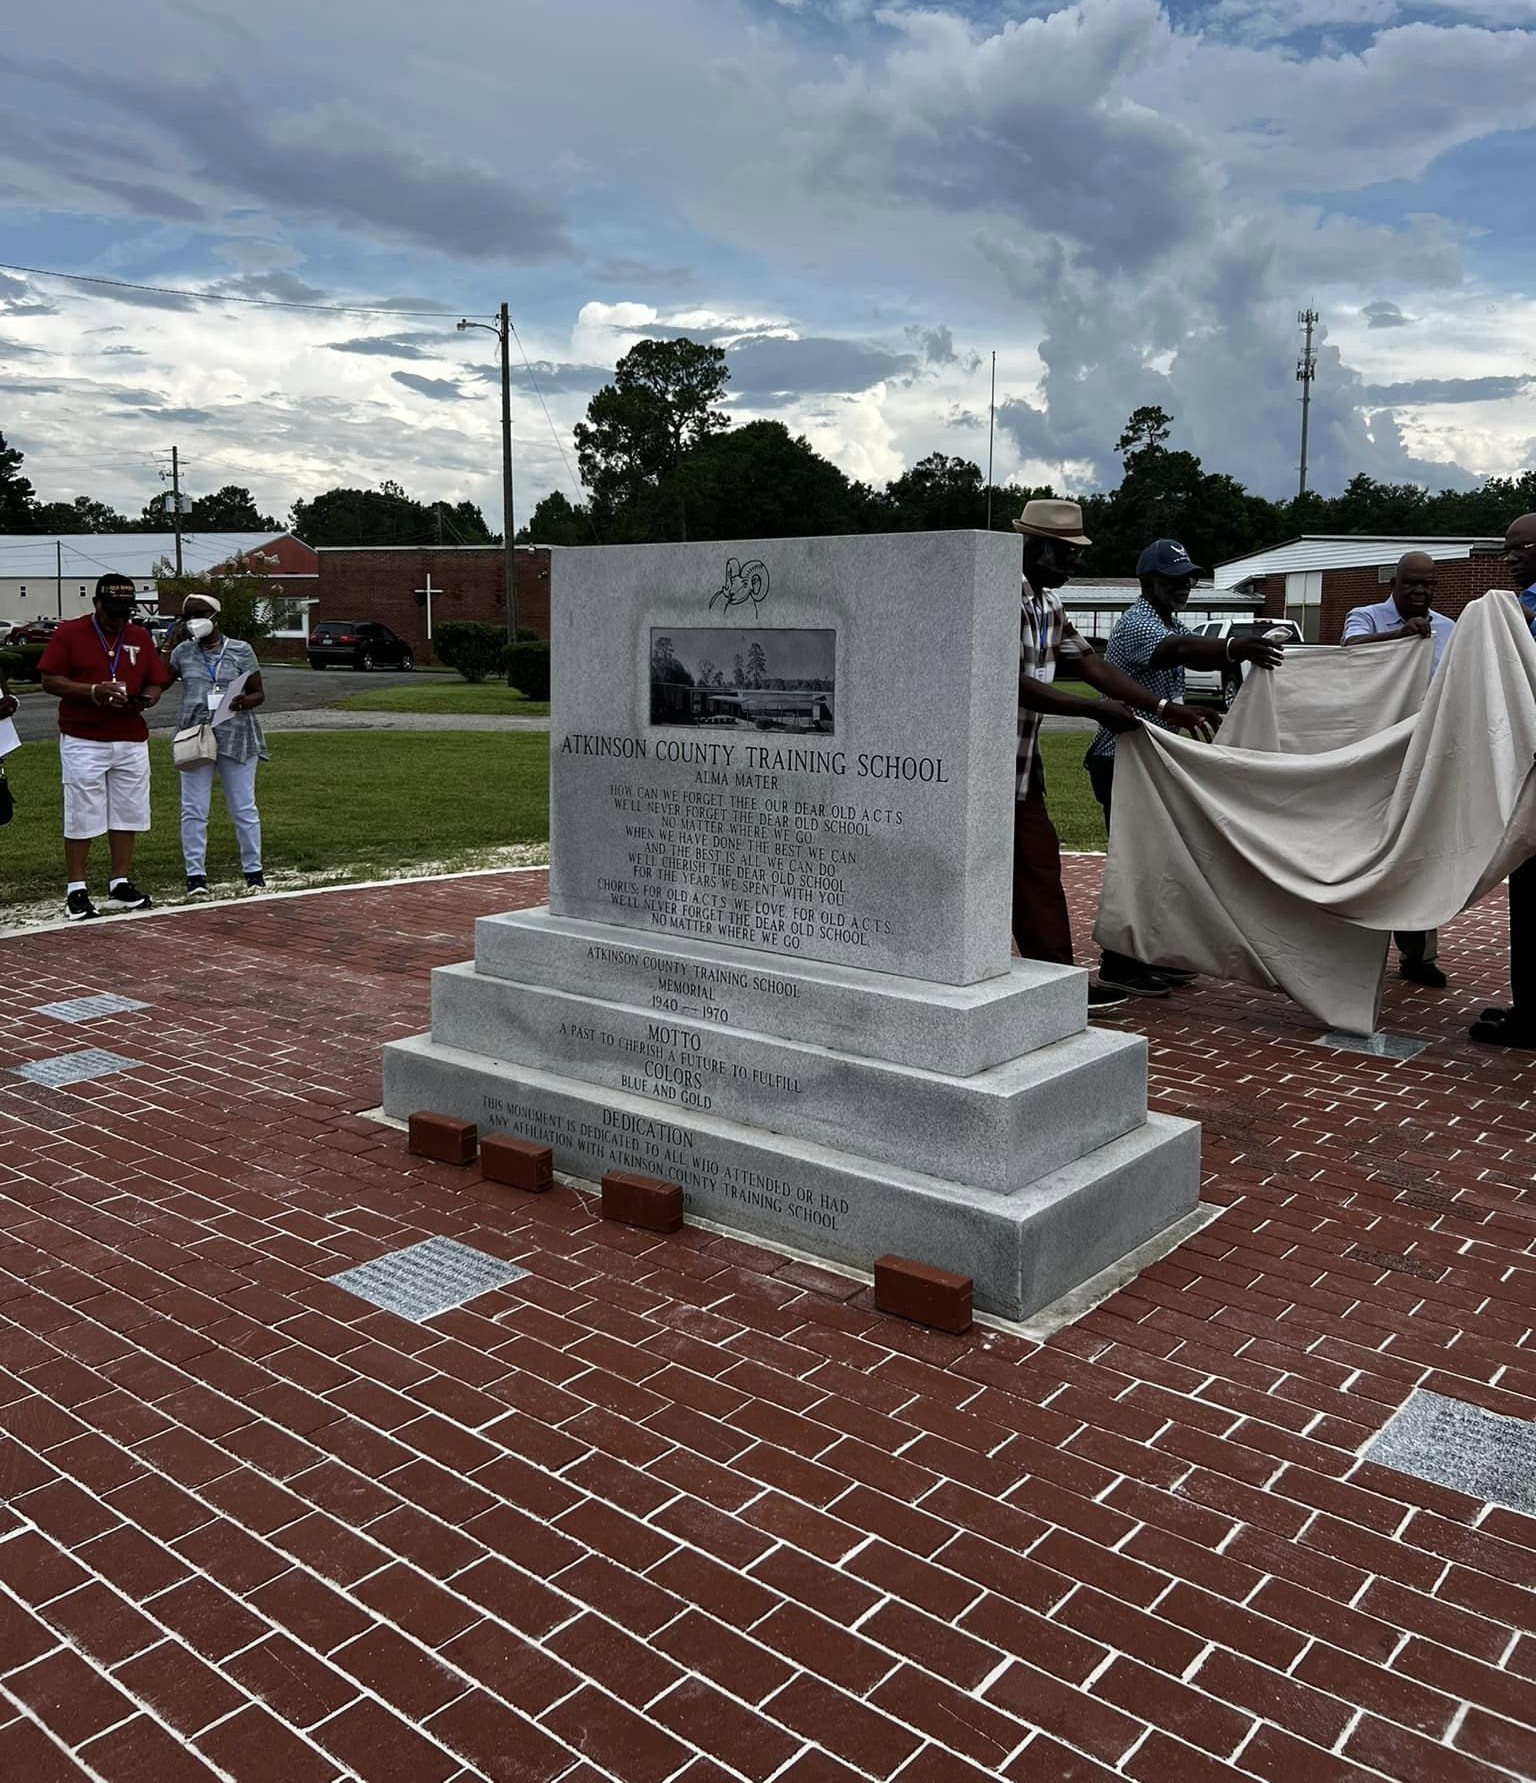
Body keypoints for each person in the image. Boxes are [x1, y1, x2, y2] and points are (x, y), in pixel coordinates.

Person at [1012, 501, 1217, 1009]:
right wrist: (1095, 712)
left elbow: (1090, 665)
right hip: (975, 765)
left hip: (1020, 762)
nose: (1074, 564)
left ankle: (1055, 983)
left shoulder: (1049, 606)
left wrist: (1165, 706)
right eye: (1065, 553)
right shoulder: (1000, 597)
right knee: (998, 871)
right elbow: (1006, 683)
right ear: (1034, 546)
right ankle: (1083, 971)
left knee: (1039, 870)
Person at [1083, 539, 1284, 996]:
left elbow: (1167, 667)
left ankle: (1145, 955)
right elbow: (1179, 651)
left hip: (1147, 763)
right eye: (1174, 579)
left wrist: (1187, 707)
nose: (1185, 586)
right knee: (1134, 864)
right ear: (1148, 581)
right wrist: (1236, 648)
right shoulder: (1138, 623)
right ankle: (1118, 963)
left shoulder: (1164, 619)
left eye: (1189, 578)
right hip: (1119, 760)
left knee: (1155, 863)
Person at [1341, 550, 1457, 987]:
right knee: (1365, 850)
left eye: (1429, 585)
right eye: (1412, 583)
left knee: (1419, 854)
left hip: (1425, 756)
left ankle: (1419, 956)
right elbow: (1348, 653)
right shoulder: (1366, 618)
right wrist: (1398, 639)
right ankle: (1354, 949)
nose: (1421, 592)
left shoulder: (1450, 629)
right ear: (1394, 582)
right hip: (1371, 756)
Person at [38, 573, 171, 920]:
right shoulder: (70, 633)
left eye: (125, 612)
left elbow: (156, 681)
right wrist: (93, 691)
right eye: (112, 612)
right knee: (83, 812)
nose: (118, 619)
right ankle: (76, 889)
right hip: (84, 737)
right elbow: (50, 680)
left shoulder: (139, 636)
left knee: (128, 812)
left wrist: (148, 699)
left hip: (130, 736)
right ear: (96, 604)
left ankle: (119, 884)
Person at [1469, 513, 1536, 1047]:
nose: (1509, 557)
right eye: (1505, 548)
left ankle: (1530, 1019)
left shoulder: (1525, 611)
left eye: (1521, 548)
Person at [161, 593, 268, 895]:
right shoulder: (183, 652)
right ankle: (196, 875)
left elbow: (259, 693)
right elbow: (161, 680)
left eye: (200, 614)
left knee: (244, 807)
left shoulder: (240, 650)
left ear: (215, 617)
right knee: (193, 808)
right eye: (188, 615)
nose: (194, 620)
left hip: (236, 734)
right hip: (195, 735)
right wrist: (169, 642)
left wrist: (244, 701)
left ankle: (254, 871)